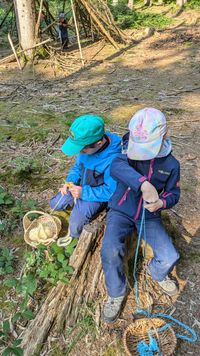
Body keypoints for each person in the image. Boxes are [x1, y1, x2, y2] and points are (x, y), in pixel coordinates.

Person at [101, 107, 181, 323]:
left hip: (149, 216)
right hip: (120, 210)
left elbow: (174, 194)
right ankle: (116, 293)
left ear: (165, 134)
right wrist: (143, 183)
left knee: (170, 255)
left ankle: (158, 273)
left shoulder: (171, 164)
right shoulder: (128, 150)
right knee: (110, 249)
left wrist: (161, 203)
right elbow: (116, 166)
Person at [50, 114, 121, 245]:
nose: (79, 152)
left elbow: (112, 191)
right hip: (80, 186)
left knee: (76, 223)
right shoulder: (87, 145)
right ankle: (71, 211)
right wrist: (69, 181)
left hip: (96, 195)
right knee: (56, 204)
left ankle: (75, 240)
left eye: (81, 150)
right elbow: (77, 167)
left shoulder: (114, 160)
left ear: (99, 143)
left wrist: (84, 193)